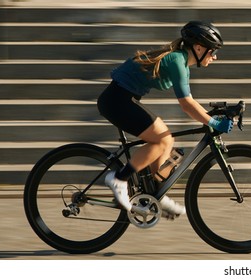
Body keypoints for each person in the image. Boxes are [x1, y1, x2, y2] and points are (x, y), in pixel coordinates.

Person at [97, 21, 232, 218]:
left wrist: (209, 116)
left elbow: (191, 103)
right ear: (199, 47)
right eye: (212, 51)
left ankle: (154, 195)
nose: (215, 56)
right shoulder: (177, 60)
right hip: (117, 101)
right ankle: (119, 178)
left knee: (166, 142)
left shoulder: (181, 61)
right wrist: (213, 122)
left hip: (121, 98)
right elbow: (187, 105)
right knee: (163, 139)